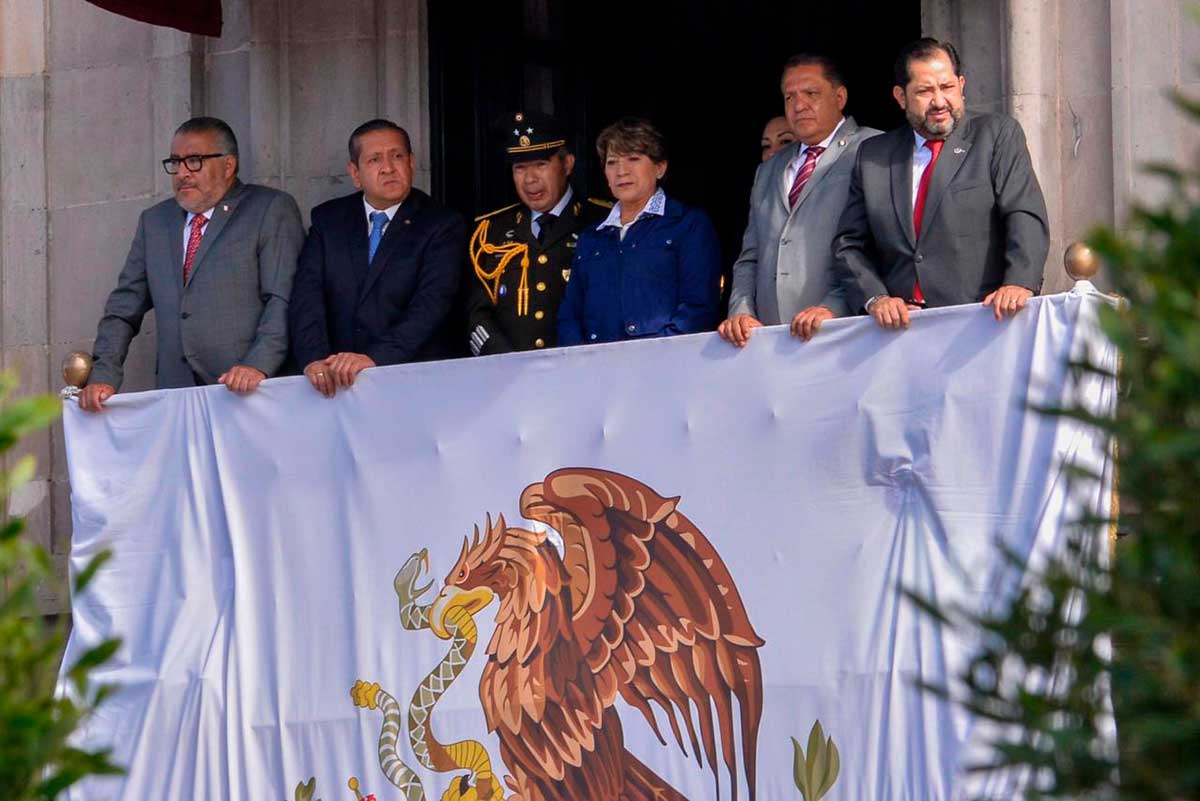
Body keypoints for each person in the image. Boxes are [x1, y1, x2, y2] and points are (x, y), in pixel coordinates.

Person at [80, 117, 304, 411]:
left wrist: (257, 365)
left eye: (195, 161)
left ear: (228, 165)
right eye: (176, 162)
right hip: (177, 395)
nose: (183, 173)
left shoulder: (269, 209)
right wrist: (104, 374)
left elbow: (283, 298)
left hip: (251, 393)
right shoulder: (155, 222)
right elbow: (123, 308)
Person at [831, 38, 1049, 331]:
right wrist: (876, 298)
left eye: (947, 87)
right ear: (901, 96)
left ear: (961, 85)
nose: (939, 101)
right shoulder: (873, 156)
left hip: (983, 322)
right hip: (900, 333)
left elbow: (1024, 214)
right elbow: (849, 244)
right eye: (924, 91)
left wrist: (1019, 282)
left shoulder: (996, 135)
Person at [288, 119, 465, 397]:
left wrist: (374, 359)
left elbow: (431, 304)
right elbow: (307, 297)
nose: (388, 168)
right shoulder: (328, 220)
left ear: (411, 163)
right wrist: (314, 358)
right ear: (355, 173)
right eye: (374, 160)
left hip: (412, 381)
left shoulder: (441, 224)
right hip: (336, 386)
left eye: (397, 156)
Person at [721, 55, 881, 347]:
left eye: (811, 93)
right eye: (789, 96)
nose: (799, 105)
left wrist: (835, 307)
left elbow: (880, 245)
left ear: (840, 96)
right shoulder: (769, 169)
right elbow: (750, 255)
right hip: (770, 339)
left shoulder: (874, 149)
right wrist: (741, 311)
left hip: (844, 334)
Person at [557, 118, 721, 346]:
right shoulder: (592, 237)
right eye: (612, 162)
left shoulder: (688, 224)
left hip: (665, 368)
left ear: (660, 167)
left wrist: (651, 357)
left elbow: (698, 308)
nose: (621, 171)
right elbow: (570, 315)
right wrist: (582, 360)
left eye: (633, 159)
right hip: (595, 372)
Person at [465, 112, 610, 354]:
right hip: (507, 377)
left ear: (567, 164)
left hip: (581, 371)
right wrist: (503, 360)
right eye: (520, 168)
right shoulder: (490, 232)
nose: (530, 179)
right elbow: (476, 312)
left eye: (541, 165)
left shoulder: (601, 222)